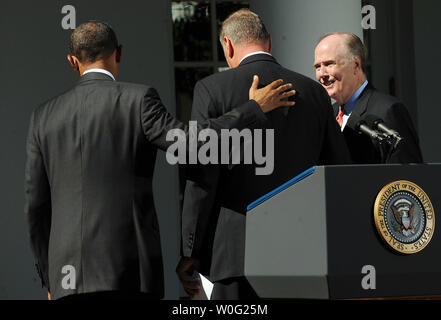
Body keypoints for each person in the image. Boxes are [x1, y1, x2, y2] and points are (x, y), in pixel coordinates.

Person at [24, 21, 295, 300]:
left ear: (72, 61)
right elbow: (193, 145)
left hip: (66, 279)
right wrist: (253, 109)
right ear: (119, 53)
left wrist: (50, 276)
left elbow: (35, 207)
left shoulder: (43, 116)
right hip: (131, 271)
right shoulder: (138, 100)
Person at [177, 9, 351, 300]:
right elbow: (338, 170)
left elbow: (201, 177)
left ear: (228, 46)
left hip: (235, 253)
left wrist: (189, 250)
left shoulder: (211, 89)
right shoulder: (313, 92)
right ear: (269, 43)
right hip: (302, 252)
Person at [314, 32, 423, 164]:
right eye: (318, 67)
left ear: (356, 65)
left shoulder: (388, 110)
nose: (322, 74)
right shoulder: (329, 114)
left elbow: (406, 176)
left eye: (329, 64)